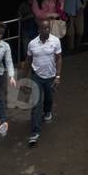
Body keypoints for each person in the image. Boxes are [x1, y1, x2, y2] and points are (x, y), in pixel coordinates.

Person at [24, 18, 62, 146]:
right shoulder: (32, 44)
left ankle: (48, 111)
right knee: (36, 104)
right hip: (37, 76)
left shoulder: (55, 41)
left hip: (50, 76)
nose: (46, 30)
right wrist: (24, 78)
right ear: (39, 29)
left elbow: (59, 58)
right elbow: (28, 61)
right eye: (44, 28)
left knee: (49, 98)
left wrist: (58, 76)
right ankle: (35, 133)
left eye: (48, 28)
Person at [0, 23, 16, 137]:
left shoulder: (5, 46)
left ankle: (1, 120)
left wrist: (11, 76)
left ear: (0, 36)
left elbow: (9, 62)